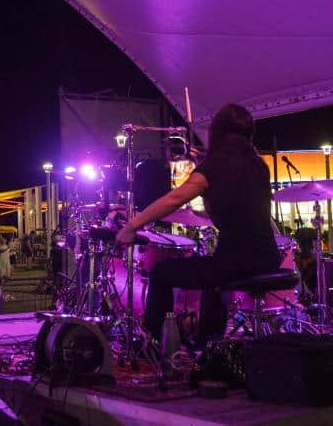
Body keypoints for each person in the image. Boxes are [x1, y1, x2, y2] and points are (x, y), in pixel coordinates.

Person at [116, 104, 281, 345]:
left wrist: (132, 225)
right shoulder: (259, 167)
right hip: (267, 258)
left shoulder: (213, 167)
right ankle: (208, 338)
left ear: (217, 132)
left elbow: (174, 199)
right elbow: (234, 204)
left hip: (237, 262)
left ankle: (151, 344)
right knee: (215, 270)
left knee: (161, 272)